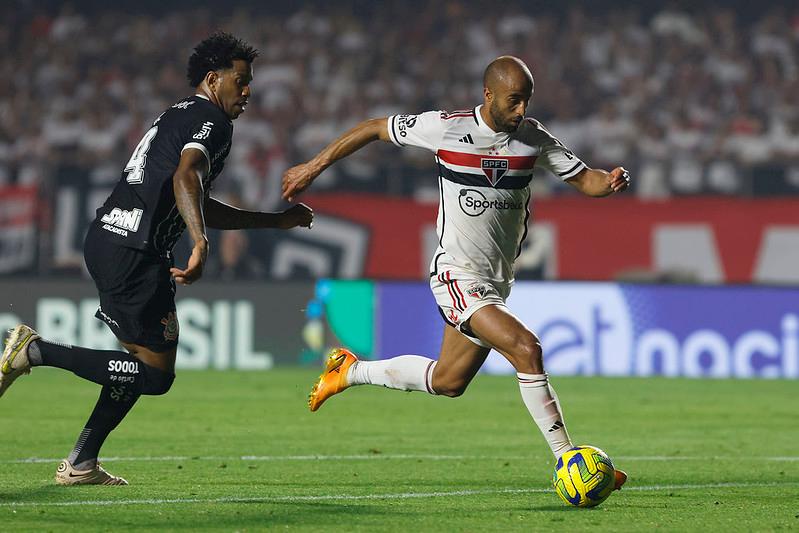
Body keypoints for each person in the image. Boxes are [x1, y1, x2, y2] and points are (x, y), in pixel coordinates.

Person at [282, 56, 628, 487]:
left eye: (527, 101)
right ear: (489, 95)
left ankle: (350, 371)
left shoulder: (532, 137)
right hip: (456, 276)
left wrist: (609, 181)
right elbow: (373, 127)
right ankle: (569, 460)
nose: (522, 110)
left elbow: (585, 180)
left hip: (496, 282)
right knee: (527, 348)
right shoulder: (446, 128)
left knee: (448, 381)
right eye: (514, 101)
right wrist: (312, 167)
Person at [0, 32, 313, 485]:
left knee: (140, 363)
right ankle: (34, 352)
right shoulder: (213, 122)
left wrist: (273, 222)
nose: (248, 92)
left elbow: (193, 195)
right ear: (213, 78)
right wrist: (200, 243)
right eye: (241, 81)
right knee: (155, 375)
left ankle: (82, 463)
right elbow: (187, 176)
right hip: (134, 252)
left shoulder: (180, 113)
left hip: (112, 238)